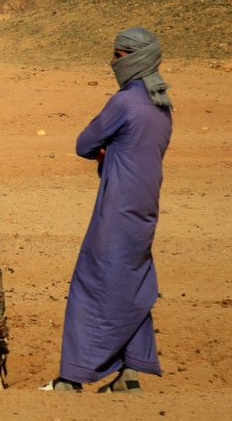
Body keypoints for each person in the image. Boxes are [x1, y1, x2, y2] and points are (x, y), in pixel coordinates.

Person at [44, 27, 172, 393]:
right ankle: (129, 374)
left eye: (118, 57)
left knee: (91, 282)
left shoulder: (125, 102)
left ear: (133, 58)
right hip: (146, 211)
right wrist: (113, 150)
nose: (113, 63)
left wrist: (106, 151)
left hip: (115, 209)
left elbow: (85, 143)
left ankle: (71, 377)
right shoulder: (162, 105)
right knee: (133, 284)